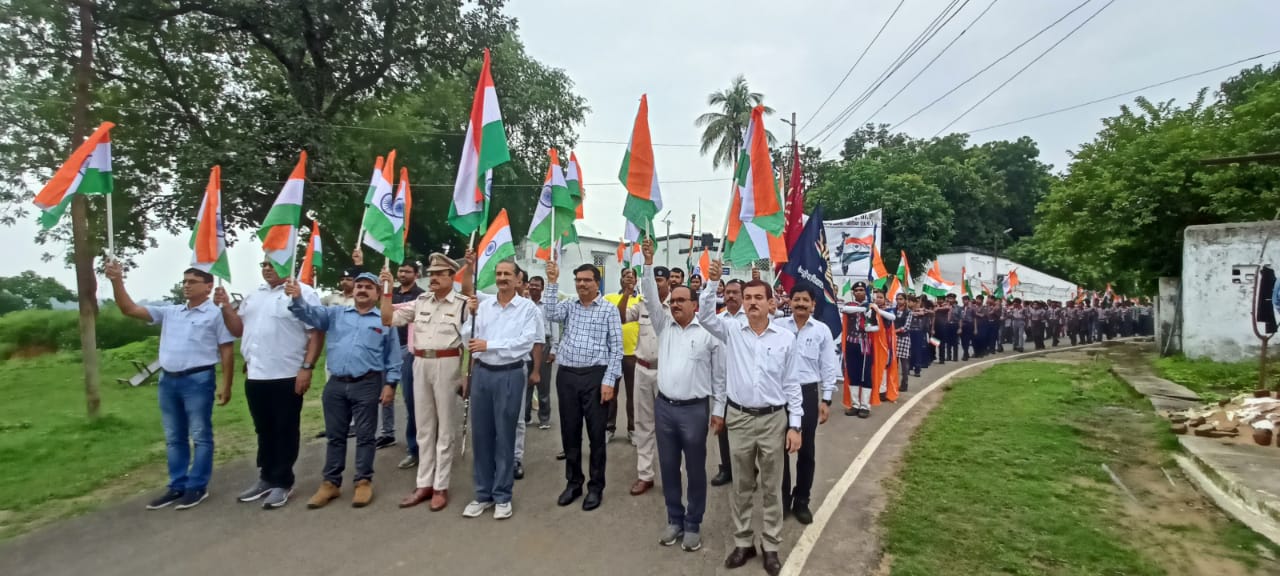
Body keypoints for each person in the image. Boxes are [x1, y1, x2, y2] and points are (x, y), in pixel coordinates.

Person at [698, 259, 801, 576]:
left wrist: (795, 424)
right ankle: (743, 542)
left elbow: (792, 383)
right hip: (739, 419)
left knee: (772, 487)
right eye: (748, 298)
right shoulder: (731, 330)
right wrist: (709, 283)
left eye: (759, 298)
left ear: (771, 304)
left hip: (773, 420)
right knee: (741, 486)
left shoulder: (785, 338)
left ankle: (771, 546)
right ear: (742, 302)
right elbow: (703, 316)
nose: (752, 302)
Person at [105, 261, 235, 510]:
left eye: (192, 282)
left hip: (198, 380)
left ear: (208, 286)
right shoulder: (171, 312)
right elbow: (129, 309)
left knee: (200, 435)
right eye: (184, 281)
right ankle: (177, 485)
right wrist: (116, 281)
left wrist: (226, 385)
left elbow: (226, 351)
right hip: (168, 381)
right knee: (174, 437)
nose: (186, 286)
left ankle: (197, 486)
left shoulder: (216, 314)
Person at [638, 239, 724, 552]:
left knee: (695, 468)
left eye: (680, 300)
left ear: (694, 304)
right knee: (669, 466)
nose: (674, 305)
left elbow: (720, 377)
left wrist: (720, 410)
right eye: (672, 300)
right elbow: (649, 297)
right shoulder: (665, 328)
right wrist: (648, 262)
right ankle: (674, 519)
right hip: (665, 408)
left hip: (695, 411)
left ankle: (693, 523)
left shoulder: (708, 332)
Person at [287, 272, 400, 509]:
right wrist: (297, 298)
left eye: (369, 287)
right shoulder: (335, 314)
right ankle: (330, 483)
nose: (362, 290)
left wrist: (390, 384)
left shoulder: (384, 320)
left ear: (377, 293)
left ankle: (363, 481)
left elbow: (393, 357)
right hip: (336, 383)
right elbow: (307, 314)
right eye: (359, 286)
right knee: (335, 436)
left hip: (368, 383)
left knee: (366, 436)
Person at [220, 258, 323, 510]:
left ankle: (283, 482)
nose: (266, 268)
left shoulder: (303, 293)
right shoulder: (254, 295)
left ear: (287, 264)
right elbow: (237, 330)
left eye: (272, 264)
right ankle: (266, 477)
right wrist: (224, 306)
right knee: (263, 430)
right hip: (256, 375)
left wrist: (307, 368)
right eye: (263, 264)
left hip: (287, 374)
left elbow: (316, 333)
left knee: (285, 429)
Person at [380, 254, 464, 512]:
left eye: (440, 273)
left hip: (447, 363)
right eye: (432, 272)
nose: (434, 277)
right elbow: (387, 319)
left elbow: (473, 336)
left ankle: (441, 485)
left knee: (445, 429)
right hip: (420, 362)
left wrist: (465, 374)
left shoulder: (462, 303)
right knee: (424, 427)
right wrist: (386, 290)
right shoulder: (421, 302)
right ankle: (423, 483)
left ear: (452, 277)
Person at [460, 260, 540, 520]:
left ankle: (503, 495)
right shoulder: (482, 307)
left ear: (518, 280)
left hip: (509, 374)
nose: (502, 278)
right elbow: (467, 340)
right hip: (483, 373)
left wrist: (489, 344)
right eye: (499, 274)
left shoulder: (527, 309)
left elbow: (524, 343)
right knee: (481, 435)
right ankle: (483, 494)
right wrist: (470, 316)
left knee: (505, 435)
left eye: (508, 274)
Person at [543, 260, 624, 512]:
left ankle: (595, 486)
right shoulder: (569, 306)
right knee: (570, 431)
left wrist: (609, 380)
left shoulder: (608, 310)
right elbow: (549, 313)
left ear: (596, 282)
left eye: (586, 280)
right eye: (578, 280)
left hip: (595, 377)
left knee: (596, 435)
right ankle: (573, 482)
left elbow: (617, 349)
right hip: (567, 375)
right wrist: (553, 283)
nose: (581, 284)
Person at [775, 285, 838, 526]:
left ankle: (801, 500)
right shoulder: (778, 327)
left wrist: (827, 399)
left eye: (805, 300)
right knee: (779, 449)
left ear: (813, 304)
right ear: (789, 302)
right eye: (796, 299)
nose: (800, 304)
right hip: (781, 395)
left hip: (808, 393)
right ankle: (781, 499)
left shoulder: (822, 331)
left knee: (806, 450)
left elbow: (828, 366)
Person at [626, 263, 668, 497]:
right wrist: (626, 292)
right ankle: (645, 475)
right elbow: (621, 315)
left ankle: (671, 472)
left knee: (668, 426)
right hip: (642, 369)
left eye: (658, 281)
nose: (654, 285)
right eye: (652, 281)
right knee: (643, 424)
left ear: (666, 283)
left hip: (666, 372)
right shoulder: (641, 303)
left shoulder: (677, 305)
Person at [377, 260, 424, 461]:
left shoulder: (421, 296)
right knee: (385, 394)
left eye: (407, 271)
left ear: (416, 274)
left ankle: (414, 447)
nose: (403, 274)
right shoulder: (391, 292)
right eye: (400, 271)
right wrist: (383, 288)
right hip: (386, 349)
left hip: (407, 349)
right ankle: (387, 433)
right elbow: (381, 312)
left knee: (411, 400)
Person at [712, 278, 747, 486]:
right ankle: (726, 468)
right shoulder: (718, 319)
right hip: (721, 384)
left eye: (736, 292)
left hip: (743, 384)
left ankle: (747, 469)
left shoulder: (751, 318)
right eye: (728, 292)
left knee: (743, 432)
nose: (731, 296)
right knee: (722, 429)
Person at [604, 268, 642, 445]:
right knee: (610, 393)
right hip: (613, 354)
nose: (628, 278)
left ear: (636, 280)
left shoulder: (641, 300)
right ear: (620, 279)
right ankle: (609, 428)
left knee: (633, 396)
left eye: (631, 276)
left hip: (634, 355)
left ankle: (633, 429)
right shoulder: (609, 298)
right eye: (625, 275)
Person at [841, 282, 879, 418]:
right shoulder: (851, 305)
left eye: (861, 290)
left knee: (865, 375)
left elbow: (877, 326)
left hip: (865, 345)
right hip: (851, 343)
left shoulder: (872, 307)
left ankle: (865, 406)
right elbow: (844, 310)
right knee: (853, 373)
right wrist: (862, 309)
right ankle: (855, 404)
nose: (858, 292)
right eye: (856, 290)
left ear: (866, 292)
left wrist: (870, 327)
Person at [527, 276, 558, 431]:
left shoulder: (548, 306)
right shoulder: (523, 304)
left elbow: (554, 327)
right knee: (526, 384)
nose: (533, 288)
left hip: (544, 346)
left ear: (542, 288)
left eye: (537, 285)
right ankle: (525, 417)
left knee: (543, 385)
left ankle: (544, 418)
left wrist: (554, 349)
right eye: (531, 285)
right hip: (526, 346)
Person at [893, 293, 913, 390]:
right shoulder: (894, 310)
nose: (898, 301)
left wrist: (895, 331)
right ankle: (893, 383)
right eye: (897, 299)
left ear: (905, 300)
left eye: (901, 299)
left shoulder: (909, 312)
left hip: (903, 338)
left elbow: (906, 327)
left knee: (904, 363)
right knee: (894, 363)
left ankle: (904, 384)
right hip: (893, 338)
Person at [960, 294, 976, 360]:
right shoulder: (961, 308)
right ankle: (966, 352)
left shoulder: (972, 308)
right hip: (963, 325)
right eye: (963, 300)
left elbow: (975, 318)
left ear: (968, 300)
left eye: (965, 300)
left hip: (970, 325)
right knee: (963, 341)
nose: (964, 301)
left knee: (967, 340)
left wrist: (975, 328)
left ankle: (965, 354)